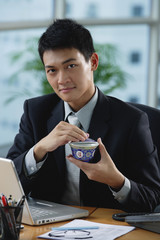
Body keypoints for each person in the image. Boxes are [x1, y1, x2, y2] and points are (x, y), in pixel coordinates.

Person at [7, 19, 160, 213]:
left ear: (93, 62)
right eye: (52, 70)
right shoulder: (35, 112)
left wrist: (116, 180)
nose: (62, 80)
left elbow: (152, 198)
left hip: (105, 228)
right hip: (48, 229)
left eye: (71, 66)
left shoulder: (131, 121)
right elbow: (8, 186)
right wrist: (39, 150)